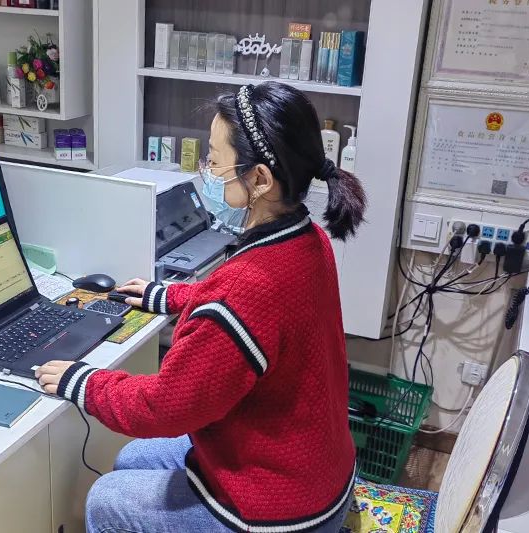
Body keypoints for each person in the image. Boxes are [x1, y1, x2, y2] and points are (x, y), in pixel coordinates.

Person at [36, 82, 366, 533]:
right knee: (132, 458)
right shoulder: (309, 240)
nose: (206, 171)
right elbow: (264, 311)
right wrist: (171, 296)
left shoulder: (245, 290)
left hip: (284, 512)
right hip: (320, 475)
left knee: (106, 500)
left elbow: (163, 409)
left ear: (260, 179)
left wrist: (83, 382)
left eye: (214, 160)